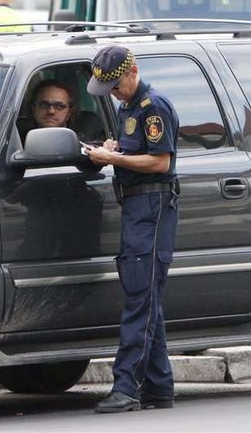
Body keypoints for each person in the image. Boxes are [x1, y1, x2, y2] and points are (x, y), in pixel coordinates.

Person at [84, 44, 180, 413]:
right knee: (146, 297)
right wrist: (114, 149)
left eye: (115, 85)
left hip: (152, 207)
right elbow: (135, 151)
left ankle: (127, 387)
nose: (112, 93)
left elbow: (160, 162)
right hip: (137, 207)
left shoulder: (152, 106)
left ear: (133, 71)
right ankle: (159, 387)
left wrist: (113, 158)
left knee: (139, 299)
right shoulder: (127, 106)